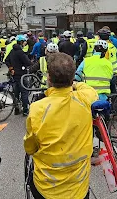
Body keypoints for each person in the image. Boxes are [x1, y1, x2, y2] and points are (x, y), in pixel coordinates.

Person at [24, 53, 98, 199]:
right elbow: (89, 90)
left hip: (47, 188)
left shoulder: (37, 108)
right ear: (72, 78)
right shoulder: (85, 99)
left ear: (49, 78)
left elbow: (30, 148)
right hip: (78, 187)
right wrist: (75, 84)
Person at [6, 35, 32, 115]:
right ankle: (25, 110)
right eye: (24, 41)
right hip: (21, 74)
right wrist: (31, 63)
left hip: (14, 75)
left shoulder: (12, 50)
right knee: (24, 92)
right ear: (21, 42)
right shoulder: (20, 52)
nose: (25, 43)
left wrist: (11, 69)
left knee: (16, 92)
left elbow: (7, 60)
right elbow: (28, 62)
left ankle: (16, 109)